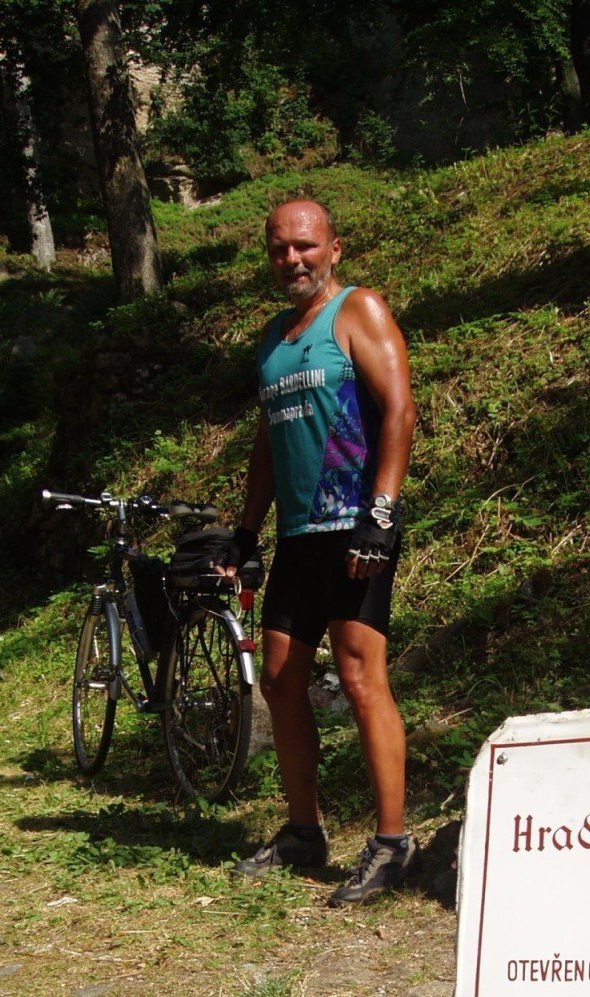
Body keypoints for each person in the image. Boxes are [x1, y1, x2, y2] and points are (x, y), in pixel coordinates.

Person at [225, 197, 419, 906]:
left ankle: (394, 841)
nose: (292, 260)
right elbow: (267, 444)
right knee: (279, 678)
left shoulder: (357, 311)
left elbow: (400, 407)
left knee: (362, 678)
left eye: (305, 246)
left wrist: (383, 514)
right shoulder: (275, 339)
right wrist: (246, 531)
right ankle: (304, 830)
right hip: (298, 536)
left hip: (355, 529)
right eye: (279, 249)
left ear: (334, 247)